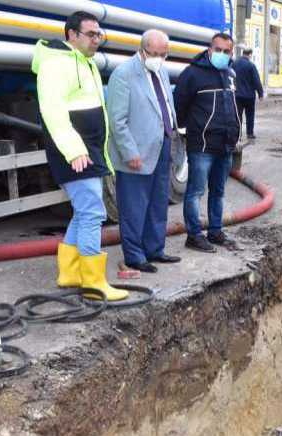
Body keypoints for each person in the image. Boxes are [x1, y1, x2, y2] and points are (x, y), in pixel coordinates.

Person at [33, 11, 127, 300]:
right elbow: (53, 111)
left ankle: (70, 272)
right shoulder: (55, 65)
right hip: (75, 153)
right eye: (91, 34)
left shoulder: (85, 63)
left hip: (89, 151)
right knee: (92, 213)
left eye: (100, 34)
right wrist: (74, 150)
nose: (97, 40)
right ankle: (93, 282)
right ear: (72, 35)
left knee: (84, 210)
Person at [106, 29, 181, 273]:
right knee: (134, 206)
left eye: (163, 54)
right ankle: (135, 255)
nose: (158, 58)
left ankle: (155, 249)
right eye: (154, 53)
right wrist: (130, 153)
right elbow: (117, 120)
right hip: (136, 153)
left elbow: (165, 105)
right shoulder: (124, 74)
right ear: (142, 49)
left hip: (162, 146)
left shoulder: (160, 70)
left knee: (158, 202)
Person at [174, 32, 240, 253]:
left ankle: (215, 231)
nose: (222, 54)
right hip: (201, 146)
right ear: (210, 49)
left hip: (225, 145)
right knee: (195, 192)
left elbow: (232, 107)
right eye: (218, 49)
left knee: (218, 192)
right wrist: (191, 130)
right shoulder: (192, 74)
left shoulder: (230, 73)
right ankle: (193, 235)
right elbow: (179, 106)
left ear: (232, 52)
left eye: (226, 51)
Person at [232, 48, 264, 139]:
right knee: (250, 115)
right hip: (249, 96)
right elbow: (256, 80)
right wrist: (260, 93)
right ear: (250, 54)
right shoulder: (251, 65)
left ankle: (238, 134)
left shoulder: (234, 64)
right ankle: (250, 133)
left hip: (237, 95)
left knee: (238, 116)